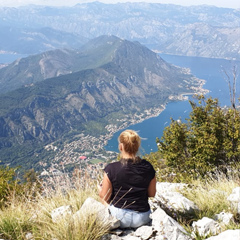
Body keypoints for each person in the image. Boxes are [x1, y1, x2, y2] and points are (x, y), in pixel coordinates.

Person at [98, 129, 156, 229]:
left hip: (119, 217)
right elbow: (151, 194)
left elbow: (105, 197)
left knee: (103, 200)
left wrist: (100, 190)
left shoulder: (111, 169)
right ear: (137, 146)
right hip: (143, 217)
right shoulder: (148, 167)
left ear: (121, 146)